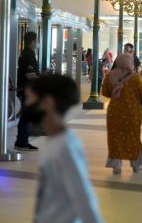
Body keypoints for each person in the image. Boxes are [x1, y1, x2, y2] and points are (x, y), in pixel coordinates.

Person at [24, 75, 103, 223]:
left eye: (30, 98)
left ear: (47, 102)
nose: (27, 104)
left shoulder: (66, 147)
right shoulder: (52, 142)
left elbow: (83, 197)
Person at [101, 54, 142, 174]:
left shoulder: (109, 76)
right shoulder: (136, 78)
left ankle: (116, 165)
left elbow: (105, 93)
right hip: (132, 112)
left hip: (114, 112)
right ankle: (136, 164)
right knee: (132, 136)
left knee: (115, 137)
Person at [15, 31, 39, 151]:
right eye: (37, 41)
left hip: (25, 89)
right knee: (26, 116)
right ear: (33, 41)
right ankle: (21, 142)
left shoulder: (24, 53)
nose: (37, 43)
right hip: (28, 90)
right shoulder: (29, 54)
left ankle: (23, 141)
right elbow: (30, 75)